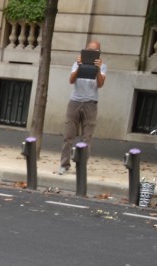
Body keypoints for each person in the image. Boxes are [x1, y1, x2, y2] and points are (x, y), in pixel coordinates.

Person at [57, 40, 106, 175]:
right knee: (68, 135)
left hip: (91, 103)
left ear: (99, 53)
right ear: (85, 50)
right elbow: (71, 80)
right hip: (75, 101)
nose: (91, 53)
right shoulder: (76, 64)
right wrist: (79, 66)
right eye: (89, 50)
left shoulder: (103, 66)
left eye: (95, 51)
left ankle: (81, 166)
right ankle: (64, 164)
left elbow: (100, 84)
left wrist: (98, 69)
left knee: (87, 137)